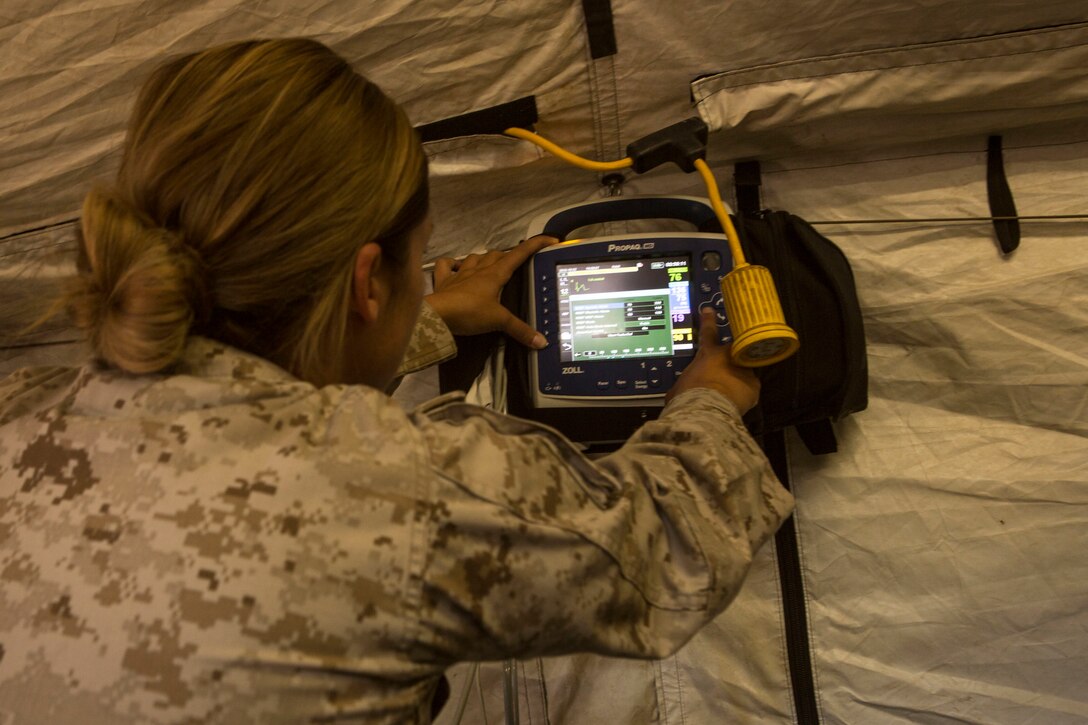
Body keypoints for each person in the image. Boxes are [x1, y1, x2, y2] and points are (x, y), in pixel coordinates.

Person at [0, 38, 793, 724]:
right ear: (368, 281)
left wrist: (426, 319)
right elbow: (665, 547)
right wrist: (717, 389)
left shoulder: (17, 414)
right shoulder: (401, 488)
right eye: (422, 261)